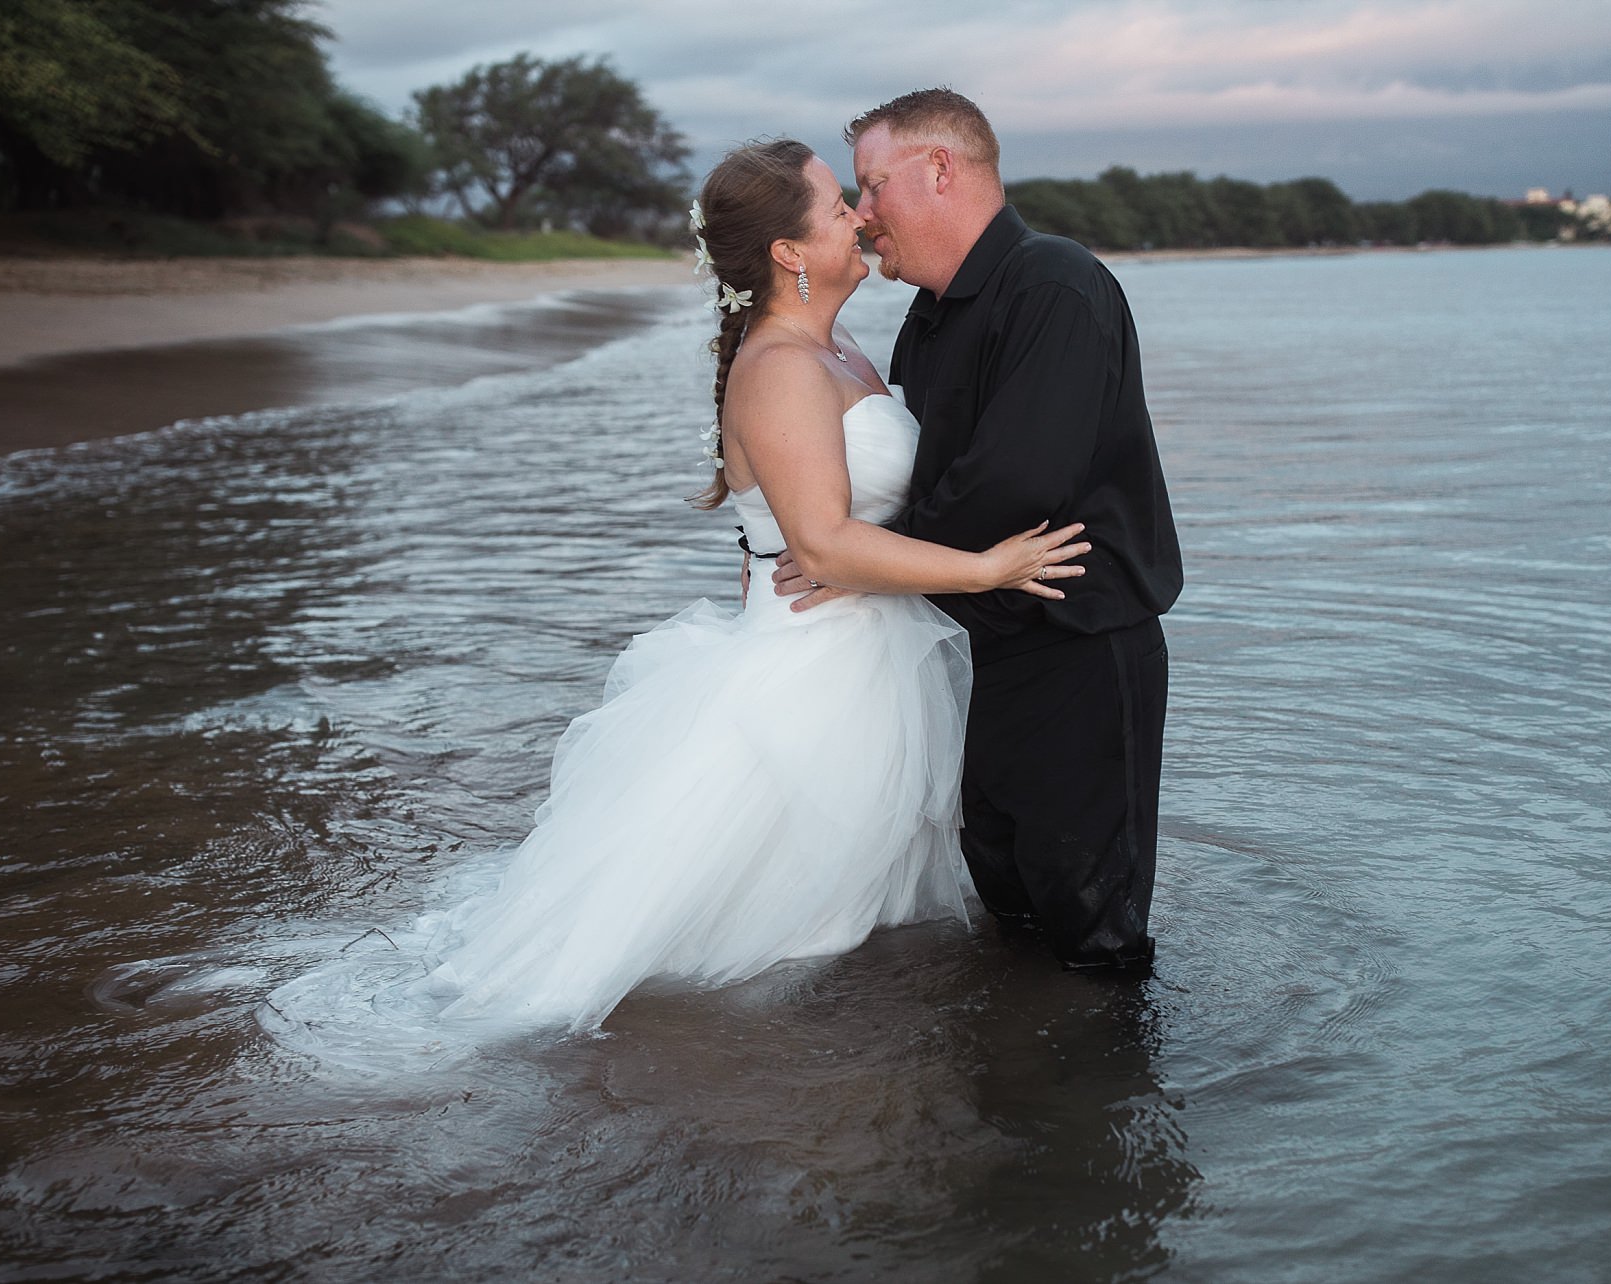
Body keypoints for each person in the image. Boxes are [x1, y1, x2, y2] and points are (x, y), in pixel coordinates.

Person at [261, 138, 1090, 1040]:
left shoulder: (836, 345)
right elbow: (826, 545)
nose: (861, 215)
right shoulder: (780, 367)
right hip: (816, 673)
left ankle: (845, 1050)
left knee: (852, 915)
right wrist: (988, 568)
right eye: (838, 205)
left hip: (867, 654)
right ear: (786, 251)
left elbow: (821, 518)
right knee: (779, 929)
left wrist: (826, 543)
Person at [775, 90, 1182, 973]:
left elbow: (1018, 480)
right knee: (1008, 904)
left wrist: (861, 562)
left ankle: (1110, 1100)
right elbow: (919, 476)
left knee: (1093, 927)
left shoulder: (1057, 284)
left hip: (1074, 646)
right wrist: (834, 549)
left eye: (873, 187)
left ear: (940, 170)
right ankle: (1016, 1093)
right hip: (968, 650)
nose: (865, 214)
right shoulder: (929, 315)